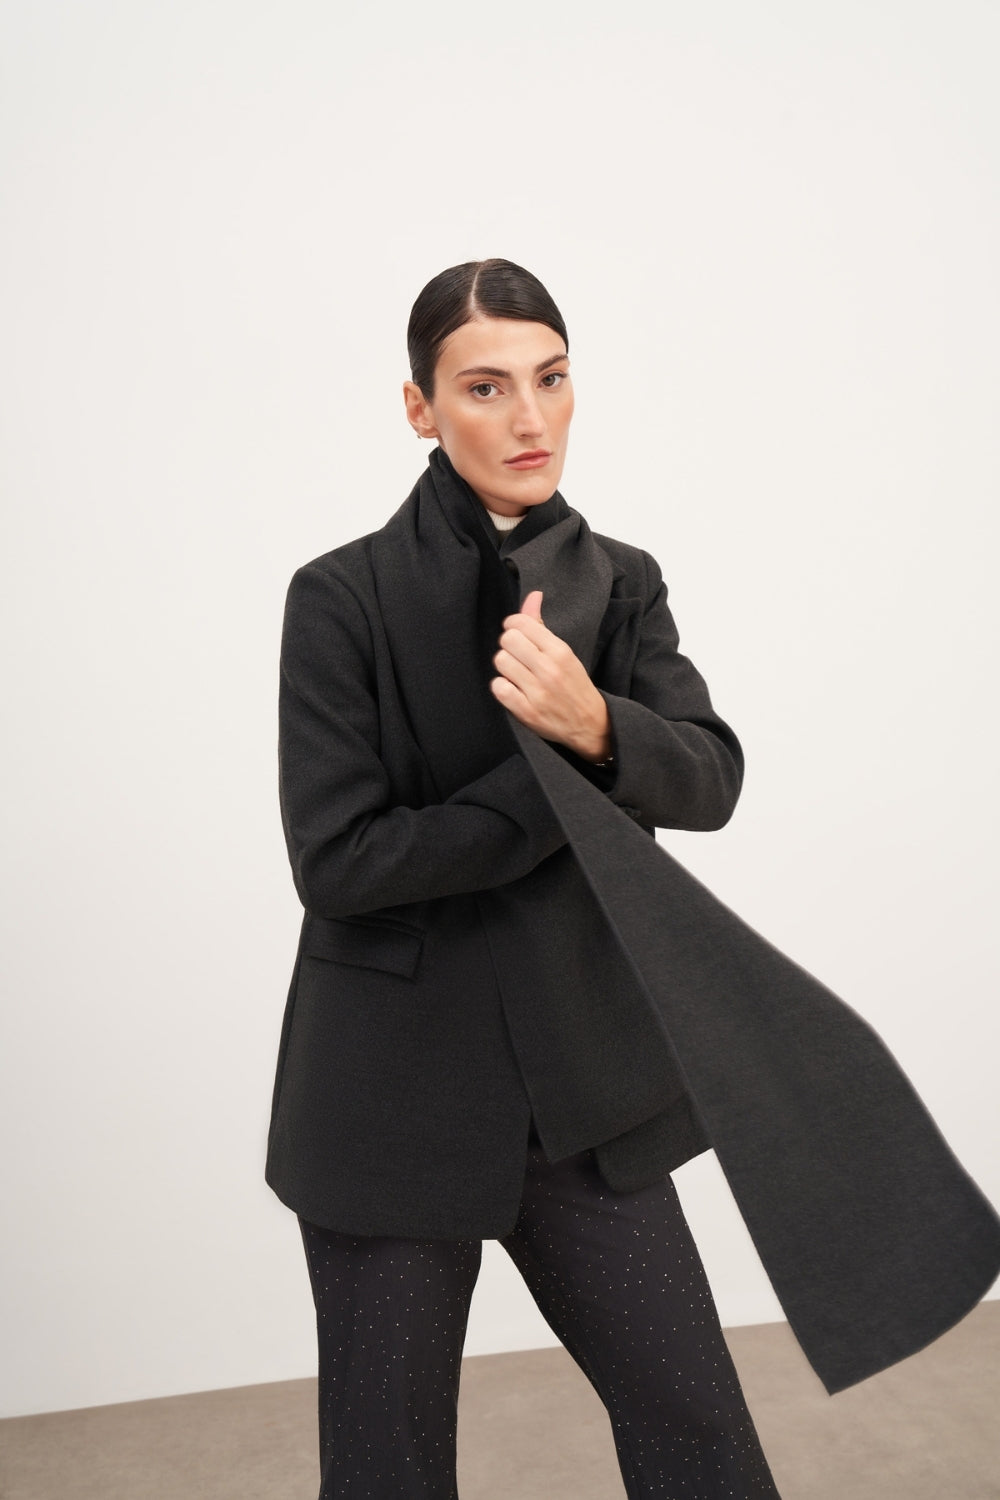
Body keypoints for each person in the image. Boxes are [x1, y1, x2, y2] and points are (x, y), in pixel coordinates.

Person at [267, 258, 782, 1498]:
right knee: (387, 1472)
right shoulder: (339, 597)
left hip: (583, 1093)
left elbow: (709, 778)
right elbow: (339, 861)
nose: (529, 418)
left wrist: (597, 726)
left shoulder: (624, 580)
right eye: (485, 387)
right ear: (420, 407)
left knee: (700, 1434)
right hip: (389, 1099)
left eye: (549, 380)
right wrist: (556, 780)